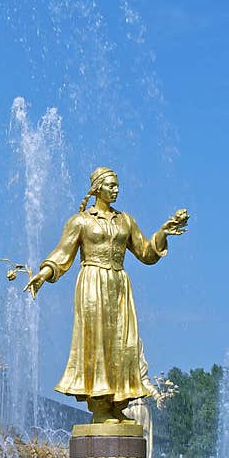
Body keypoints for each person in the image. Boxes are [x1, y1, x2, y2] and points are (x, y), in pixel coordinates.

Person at [23, 166, 188, 423]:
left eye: (117, 185)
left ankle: (117, 403)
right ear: (97, 187)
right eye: (110, 185)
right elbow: (62, 254)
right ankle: (99, 407)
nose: (116, 190)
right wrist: (44, 274)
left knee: (123, 342)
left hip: (119, 285)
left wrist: (163, 233)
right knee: (96, 342)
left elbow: (145, 252)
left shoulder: (125, 220)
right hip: (92, 284)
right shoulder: (81, 221)